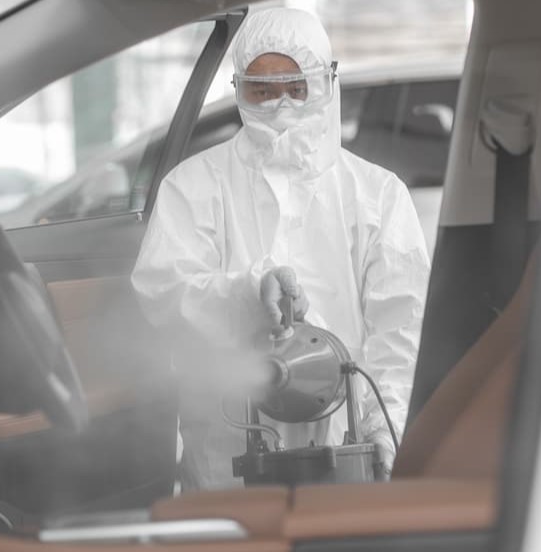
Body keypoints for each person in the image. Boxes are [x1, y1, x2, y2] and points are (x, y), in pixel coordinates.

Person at [131, 7, 431, 491]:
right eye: (263, 90)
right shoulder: (194, 186)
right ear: (238, 88)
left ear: (327, 82)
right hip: (228, 445)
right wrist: (247, 293)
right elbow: (165, 289)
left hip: (346, 442)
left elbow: (402, 328)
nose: (281, 106)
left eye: (297, 87)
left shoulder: (377, 195)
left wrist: (383, 423)